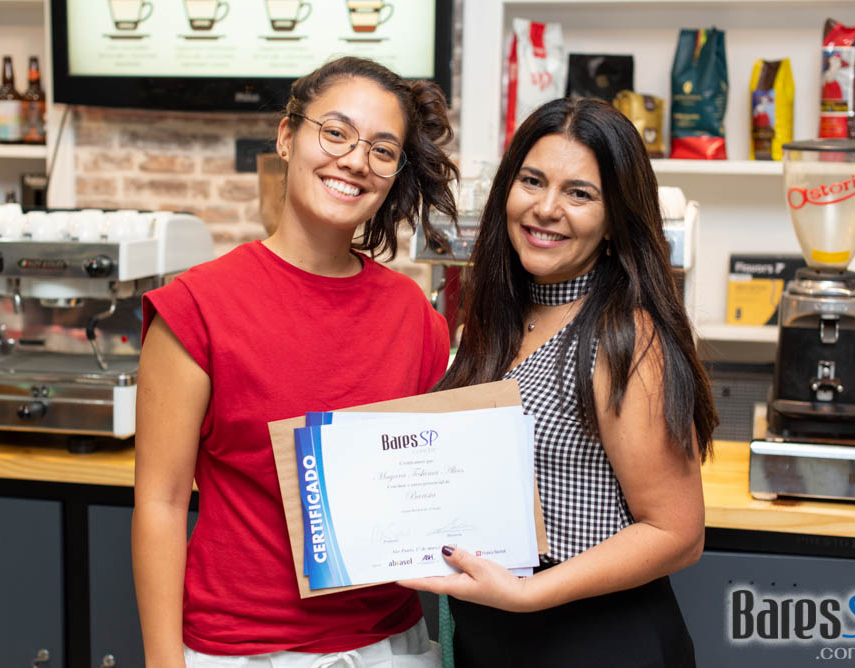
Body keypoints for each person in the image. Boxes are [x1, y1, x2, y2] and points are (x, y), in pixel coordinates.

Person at [133, 56, 458, 668]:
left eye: (382, 150)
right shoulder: (197, 307)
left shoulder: (414, 317)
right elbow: (161, 502)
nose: (355, 160)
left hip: (391, 646)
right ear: (287, 137)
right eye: (335, 133)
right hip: (240, 651)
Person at [401, 97, 718, 667]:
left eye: (580, 193)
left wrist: (527, 594)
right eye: (532, 181)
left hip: (593, 642)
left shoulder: (624, 336)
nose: (546, 209)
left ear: (615, 218)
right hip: (495, 638)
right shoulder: (495, 322)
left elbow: (677, 534)